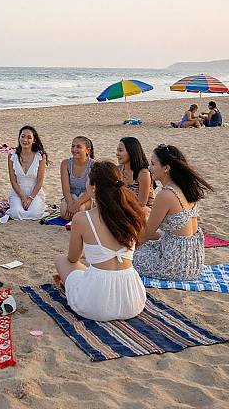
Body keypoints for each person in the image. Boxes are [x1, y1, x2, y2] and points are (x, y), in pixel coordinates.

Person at [54, 161, 146, 321]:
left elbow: (73, 258)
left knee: (61, 260)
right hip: (133, 300)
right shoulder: (131, 213)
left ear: (94, 187)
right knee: (90, 269)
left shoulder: (83, 218)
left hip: (95, 305)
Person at [133, 144, 213, 281]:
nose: (149, 168)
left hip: (175, 265)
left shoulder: (166, 195)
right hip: (193, 262)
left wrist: (128, 247)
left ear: (166, 168)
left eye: (153, 164)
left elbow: (146, 233)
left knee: (123, 256)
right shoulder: (185, 188)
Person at [7, 125, 48, 220]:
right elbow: (13, 181)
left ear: (34, 140)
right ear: (19, 138)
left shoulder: (40, 156)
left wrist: (30, 199)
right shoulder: (12, 155)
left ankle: (36, 206)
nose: (25, 140)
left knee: (34, 214)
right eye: (22, 136)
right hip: (18, 192)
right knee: (16, 213)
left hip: (35, 193)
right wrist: (22, 197)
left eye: (29, 137)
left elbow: (39, 182)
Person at [60, 136, 94, 220]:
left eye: (78, 147)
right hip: (71, 195)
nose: (74, 149)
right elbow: (66, 189)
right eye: (73, 146)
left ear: (88, 150)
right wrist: (70, 204)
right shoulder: (65, 164)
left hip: (86, 196)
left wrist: (77, 204)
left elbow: (91, 191)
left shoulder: (94, 165)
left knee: (79, 212)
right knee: (65, 213)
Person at [116, 137, 155, 208]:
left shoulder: (143, 173)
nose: (117, 154)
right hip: (123, 207)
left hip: (141, 211)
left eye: (120, 150)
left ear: (131, 152)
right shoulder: (118, 169)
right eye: (117, 150)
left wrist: (127, 185)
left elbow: (142, 203)